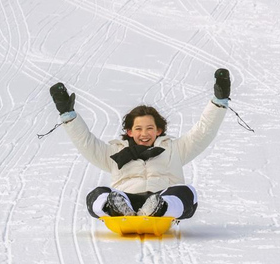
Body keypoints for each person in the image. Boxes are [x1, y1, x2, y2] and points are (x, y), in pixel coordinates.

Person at [48, 68, 232, 220]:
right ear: (129, 132)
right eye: (138, 129)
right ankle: (116, 208)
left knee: (187, 193)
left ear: (159, 130)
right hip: (126, 198)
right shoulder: (114, 153)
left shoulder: (174, 149)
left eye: (150, 128)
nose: (144, 134)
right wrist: (68, 114)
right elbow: (85, 142)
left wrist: (219, 102)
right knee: (97, 193)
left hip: (161, 197)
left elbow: (203, 132)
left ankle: (159, 209)